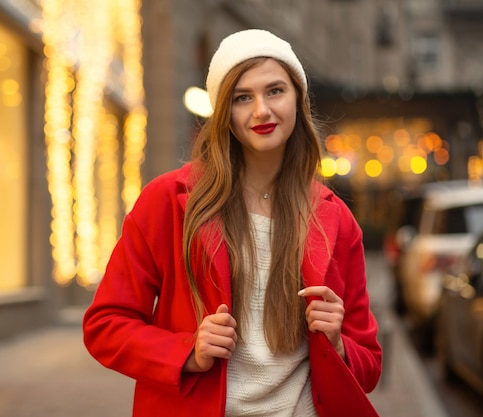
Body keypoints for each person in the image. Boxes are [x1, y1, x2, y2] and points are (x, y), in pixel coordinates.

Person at [83, 29, 382, 417]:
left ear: (298, 99)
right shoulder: (166, 203)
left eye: (275, 91)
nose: (261, 110)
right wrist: (188, 352)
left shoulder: (335, 219)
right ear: (224, 112)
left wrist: (338, 343)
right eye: (243, 97)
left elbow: (370, 365)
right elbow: (105, 325)